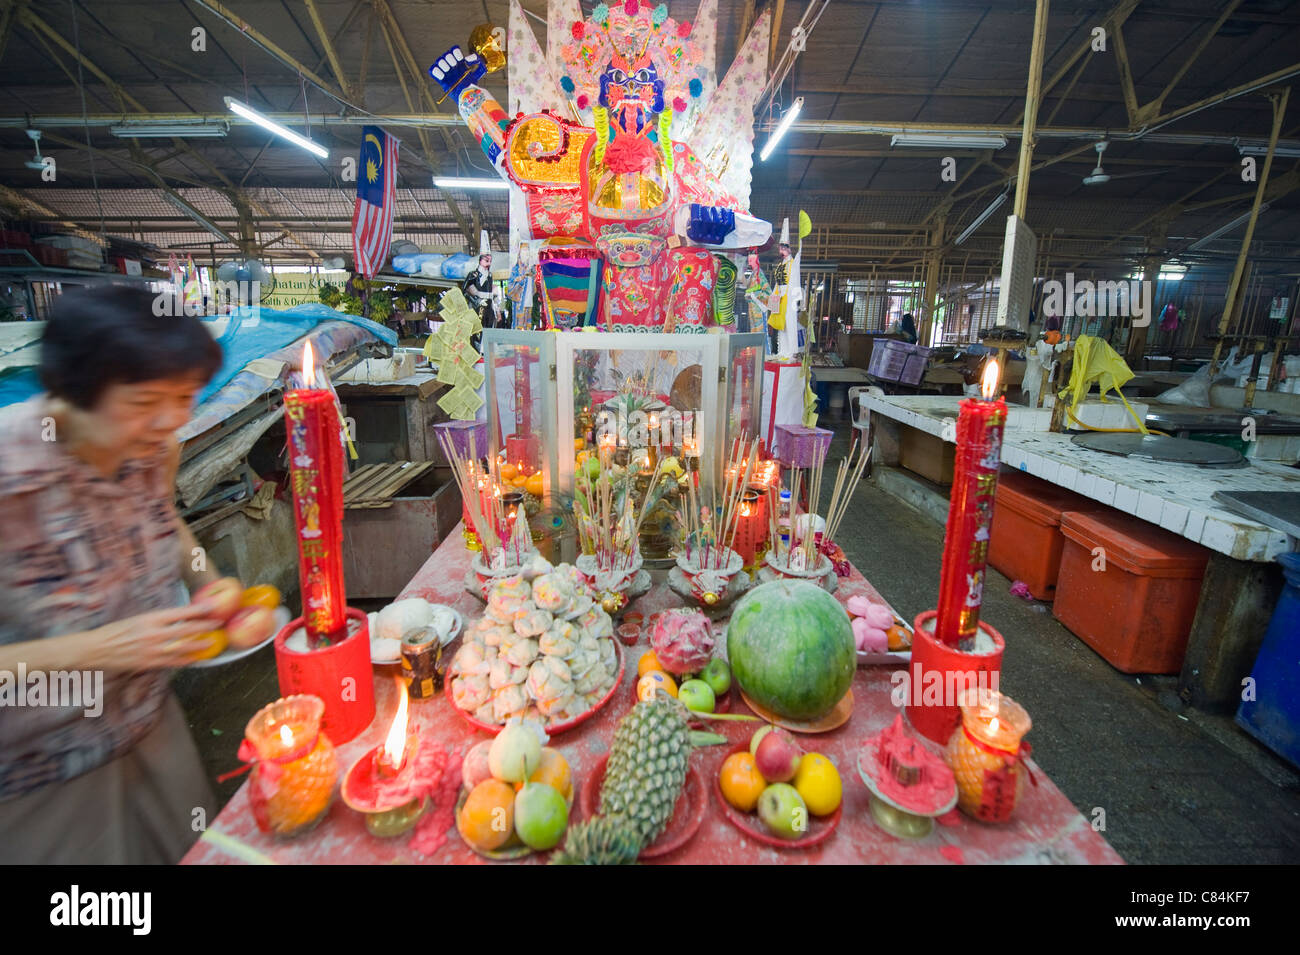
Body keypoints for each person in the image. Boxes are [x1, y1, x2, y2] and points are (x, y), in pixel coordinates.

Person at [0, 285, 254, 864]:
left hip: (152, 729)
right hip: (42, 777)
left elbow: (166, 525)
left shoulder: (151, 449)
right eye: (143, 402)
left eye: (185, 397)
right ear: (75, 390)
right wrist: (96, 649)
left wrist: (205, 580)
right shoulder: (10, 473)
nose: (169, 421)